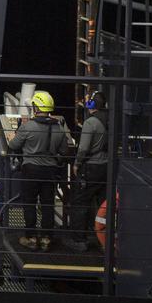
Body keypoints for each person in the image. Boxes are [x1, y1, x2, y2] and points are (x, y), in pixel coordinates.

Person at [8, 90, 66, 251]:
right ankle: (46, 239)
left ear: (36, 107)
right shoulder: (59, 129)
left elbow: (13, 145)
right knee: (48, 204)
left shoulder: (28, 127)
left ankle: (31, 237)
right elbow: (64, 150)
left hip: (31, 170)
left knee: (30, 203)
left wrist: (13, 136)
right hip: (50, 171)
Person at [66, 91, 109, 252]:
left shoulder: (91, 123)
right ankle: (102, 239)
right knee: (103, 204)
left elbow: (83, 147)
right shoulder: (110, 120)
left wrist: (76, 164)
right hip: (107, 168)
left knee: (80, 202)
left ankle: (79, 240)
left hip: (91, 167)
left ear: (91, 105)